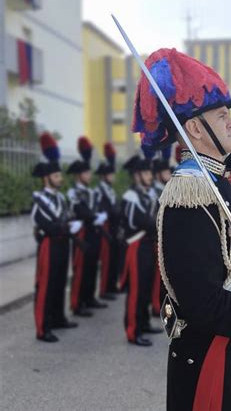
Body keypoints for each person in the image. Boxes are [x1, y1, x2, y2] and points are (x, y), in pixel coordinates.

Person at [133, 48, 231, 410]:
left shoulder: (218, 186)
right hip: (210, 358)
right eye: (222, 116)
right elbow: (202, 302)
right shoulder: (188, 196)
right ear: (194, 128)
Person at [31, 132, 80, 342]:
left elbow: (67, 218)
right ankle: (43, 327)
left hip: (62, 244)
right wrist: (66, 227)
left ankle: (58, 317)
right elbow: (48, 226)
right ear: (46, 178)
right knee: (46, 285)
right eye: (57, 175)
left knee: (60, 281)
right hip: (49, 245)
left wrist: (69, 226)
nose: (60, 178)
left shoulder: (60, 197)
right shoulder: (39, 199)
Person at [119, 155, 163, 346]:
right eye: (145, 173)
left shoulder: (149, 195)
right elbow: (133, 222)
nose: (150, 176)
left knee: (146, 287)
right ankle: (132, 330)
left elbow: (156, 218)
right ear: (136, 175)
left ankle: (143, 323)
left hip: (148, 244)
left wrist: (153, 222)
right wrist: (152, 222)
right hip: (136, 246)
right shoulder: (130, 197)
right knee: (136, 290)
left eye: (150, 172)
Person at [67, 137, 108, 317]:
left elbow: (97, 207)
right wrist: (94, 216)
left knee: (92, 266)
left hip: (94, 232)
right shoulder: (73, 192)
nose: (89, 175)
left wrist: (98, 215)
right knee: (81, 268)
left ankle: (89, 297)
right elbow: (81, 210)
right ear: (78, 175)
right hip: (82, 232)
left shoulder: (91, 191)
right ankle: (77, 303)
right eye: (86, 173)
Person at [95, 142, 120, 300]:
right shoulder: (100, 190)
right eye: (110, 174)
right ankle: (104, 290)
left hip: (114, 226)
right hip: (105, 227)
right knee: (106, 259)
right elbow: (103, 209)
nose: (113, 177)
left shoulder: (110, 189)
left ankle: (111, 285)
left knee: (113, 259)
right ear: (104, 176)